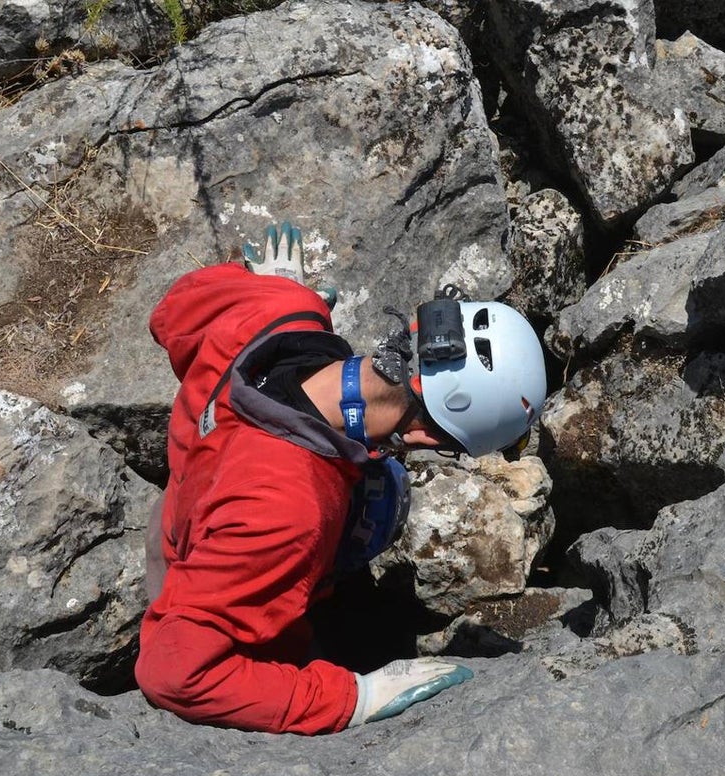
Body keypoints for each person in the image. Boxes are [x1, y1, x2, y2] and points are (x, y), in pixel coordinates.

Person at [136, 222, 548, 733]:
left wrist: (267, 288)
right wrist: (352, 697)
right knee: (379, 508)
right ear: (426, 441)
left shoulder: (285, 317)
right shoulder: (290, 511)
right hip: (207, 585)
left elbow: (173, 313)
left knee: (376, 498)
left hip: (185, 505)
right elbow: (174, 673)